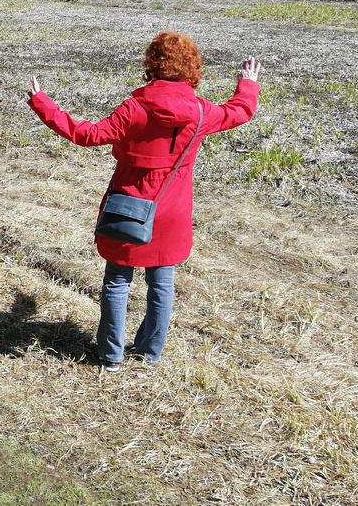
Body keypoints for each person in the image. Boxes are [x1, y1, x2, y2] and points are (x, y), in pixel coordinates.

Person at [26, 32, 261, 372]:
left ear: (152, 64)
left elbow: (85, 134)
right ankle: (150, 354)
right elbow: (238, 112)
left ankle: (110, 356)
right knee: (162, 283)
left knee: (118, 280)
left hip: (129, 204)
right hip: (172, 208)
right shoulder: (200, 110)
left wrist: (42, 102)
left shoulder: (134, 107)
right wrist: (247, 84)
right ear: (192, 68)